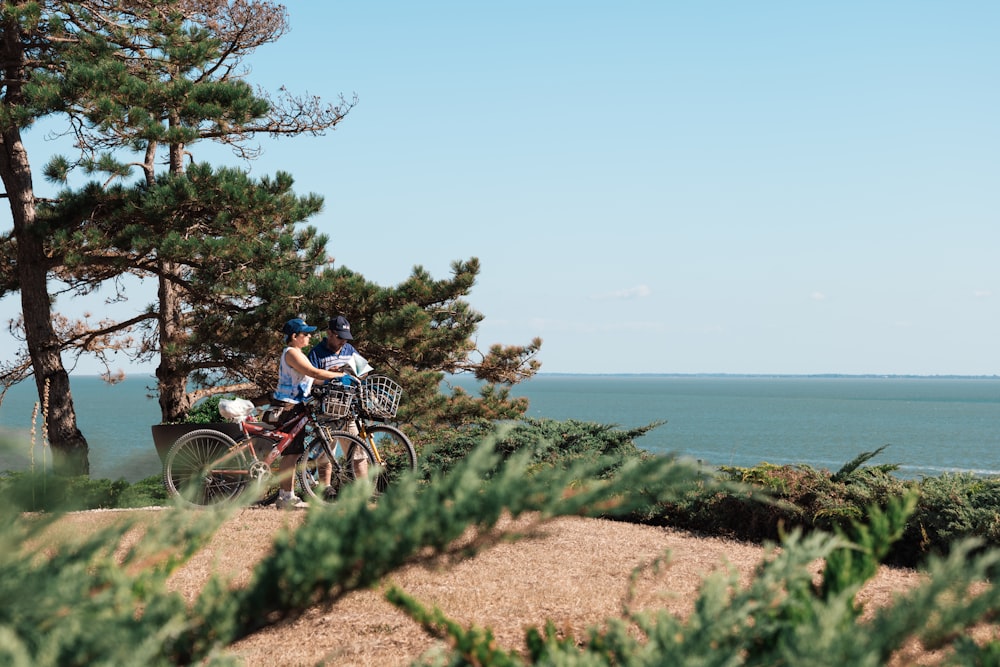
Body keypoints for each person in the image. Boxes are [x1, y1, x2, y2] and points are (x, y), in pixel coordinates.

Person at [272, 317, 348, 509]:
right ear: (294, 336)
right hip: (289, 406)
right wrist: (342, 376)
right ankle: (286, 497)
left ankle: (286, 496)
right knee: (291, 454)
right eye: (305, 334)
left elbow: (313, 379)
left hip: (295, 405)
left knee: (294, 452)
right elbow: (314, 373)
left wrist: (335, 380)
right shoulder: (292, 353)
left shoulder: (298, 353)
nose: (309, 336)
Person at [307, 314, 369, 481]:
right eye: (340, 337)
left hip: (348, 409)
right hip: (326, 411)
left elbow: (364, 372)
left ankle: (366, 492)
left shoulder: (350, 350)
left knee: (358, 453)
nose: (344, 341)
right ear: (329, 333)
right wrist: (331, 375)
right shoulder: (316, 353)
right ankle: (324, 491)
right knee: (325, 455)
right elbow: (310, 380)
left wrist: (351, 372)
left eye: (346, 338)